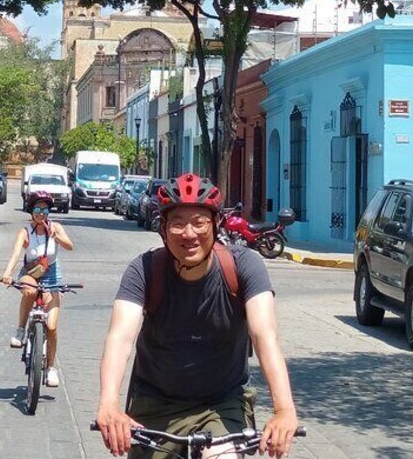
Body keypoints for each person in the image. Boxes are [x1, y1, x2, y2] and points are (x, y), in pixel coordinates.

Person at [95, 173, 299, 459]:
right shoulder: (144, 270)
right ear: (163, 229)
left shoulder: (244, 267)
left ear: (215, 226)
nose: (188, 233)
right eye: (177, 223)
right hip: (155, 405)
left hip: (223, 403)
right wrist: (108, 404)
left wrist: (284, 410)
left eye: (199, 222)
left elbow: (265, 337)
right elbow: (120, 337)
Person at [0, 190, 74, 388]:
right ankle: (21, 330)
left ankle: (50, 368)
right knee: (30, 291)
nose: (41, 213)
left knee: (52, 327)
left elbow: (70, 246)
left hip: (52, 275)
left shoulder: (55, 227)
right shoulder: (25, 231)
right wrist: (7, 273)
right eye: (37, 209)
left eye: (45, 210)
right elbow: (16, 254)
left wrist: (56, 236)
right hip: (30, 272)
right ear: (31, 211)